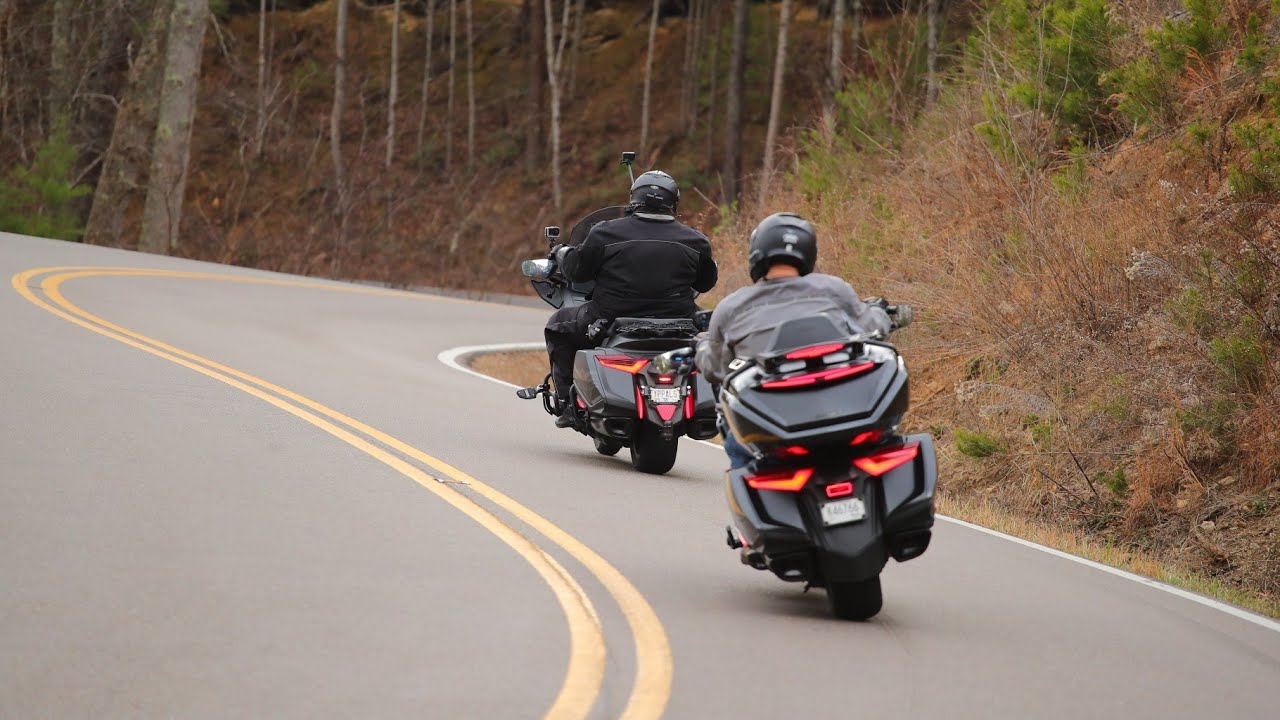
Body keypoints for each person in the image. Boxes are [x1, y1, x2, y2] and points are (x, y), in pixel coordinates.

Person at [695, 212, 891, 469]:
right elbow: (874, 328)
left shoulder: (732, 307)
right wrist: (879, 309)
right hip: (839, 415)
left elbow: (716, 368)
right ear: (809, 253)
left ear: (757, 252)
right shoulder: (834, 289)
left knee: (739, 447)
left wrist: (700, 347)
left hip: (770, 426)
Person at [544, 170, 718, 427]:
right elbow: (706, 282)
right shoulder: (695, 240)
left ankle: (568, 404)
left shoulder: (605, 233)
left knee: (558, 325)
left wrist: (561, 253)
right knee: (714, 333)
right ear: (674, 202)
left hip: (608, 317)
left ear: (634, 199)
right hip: (680, 322)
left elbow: (576, 270)